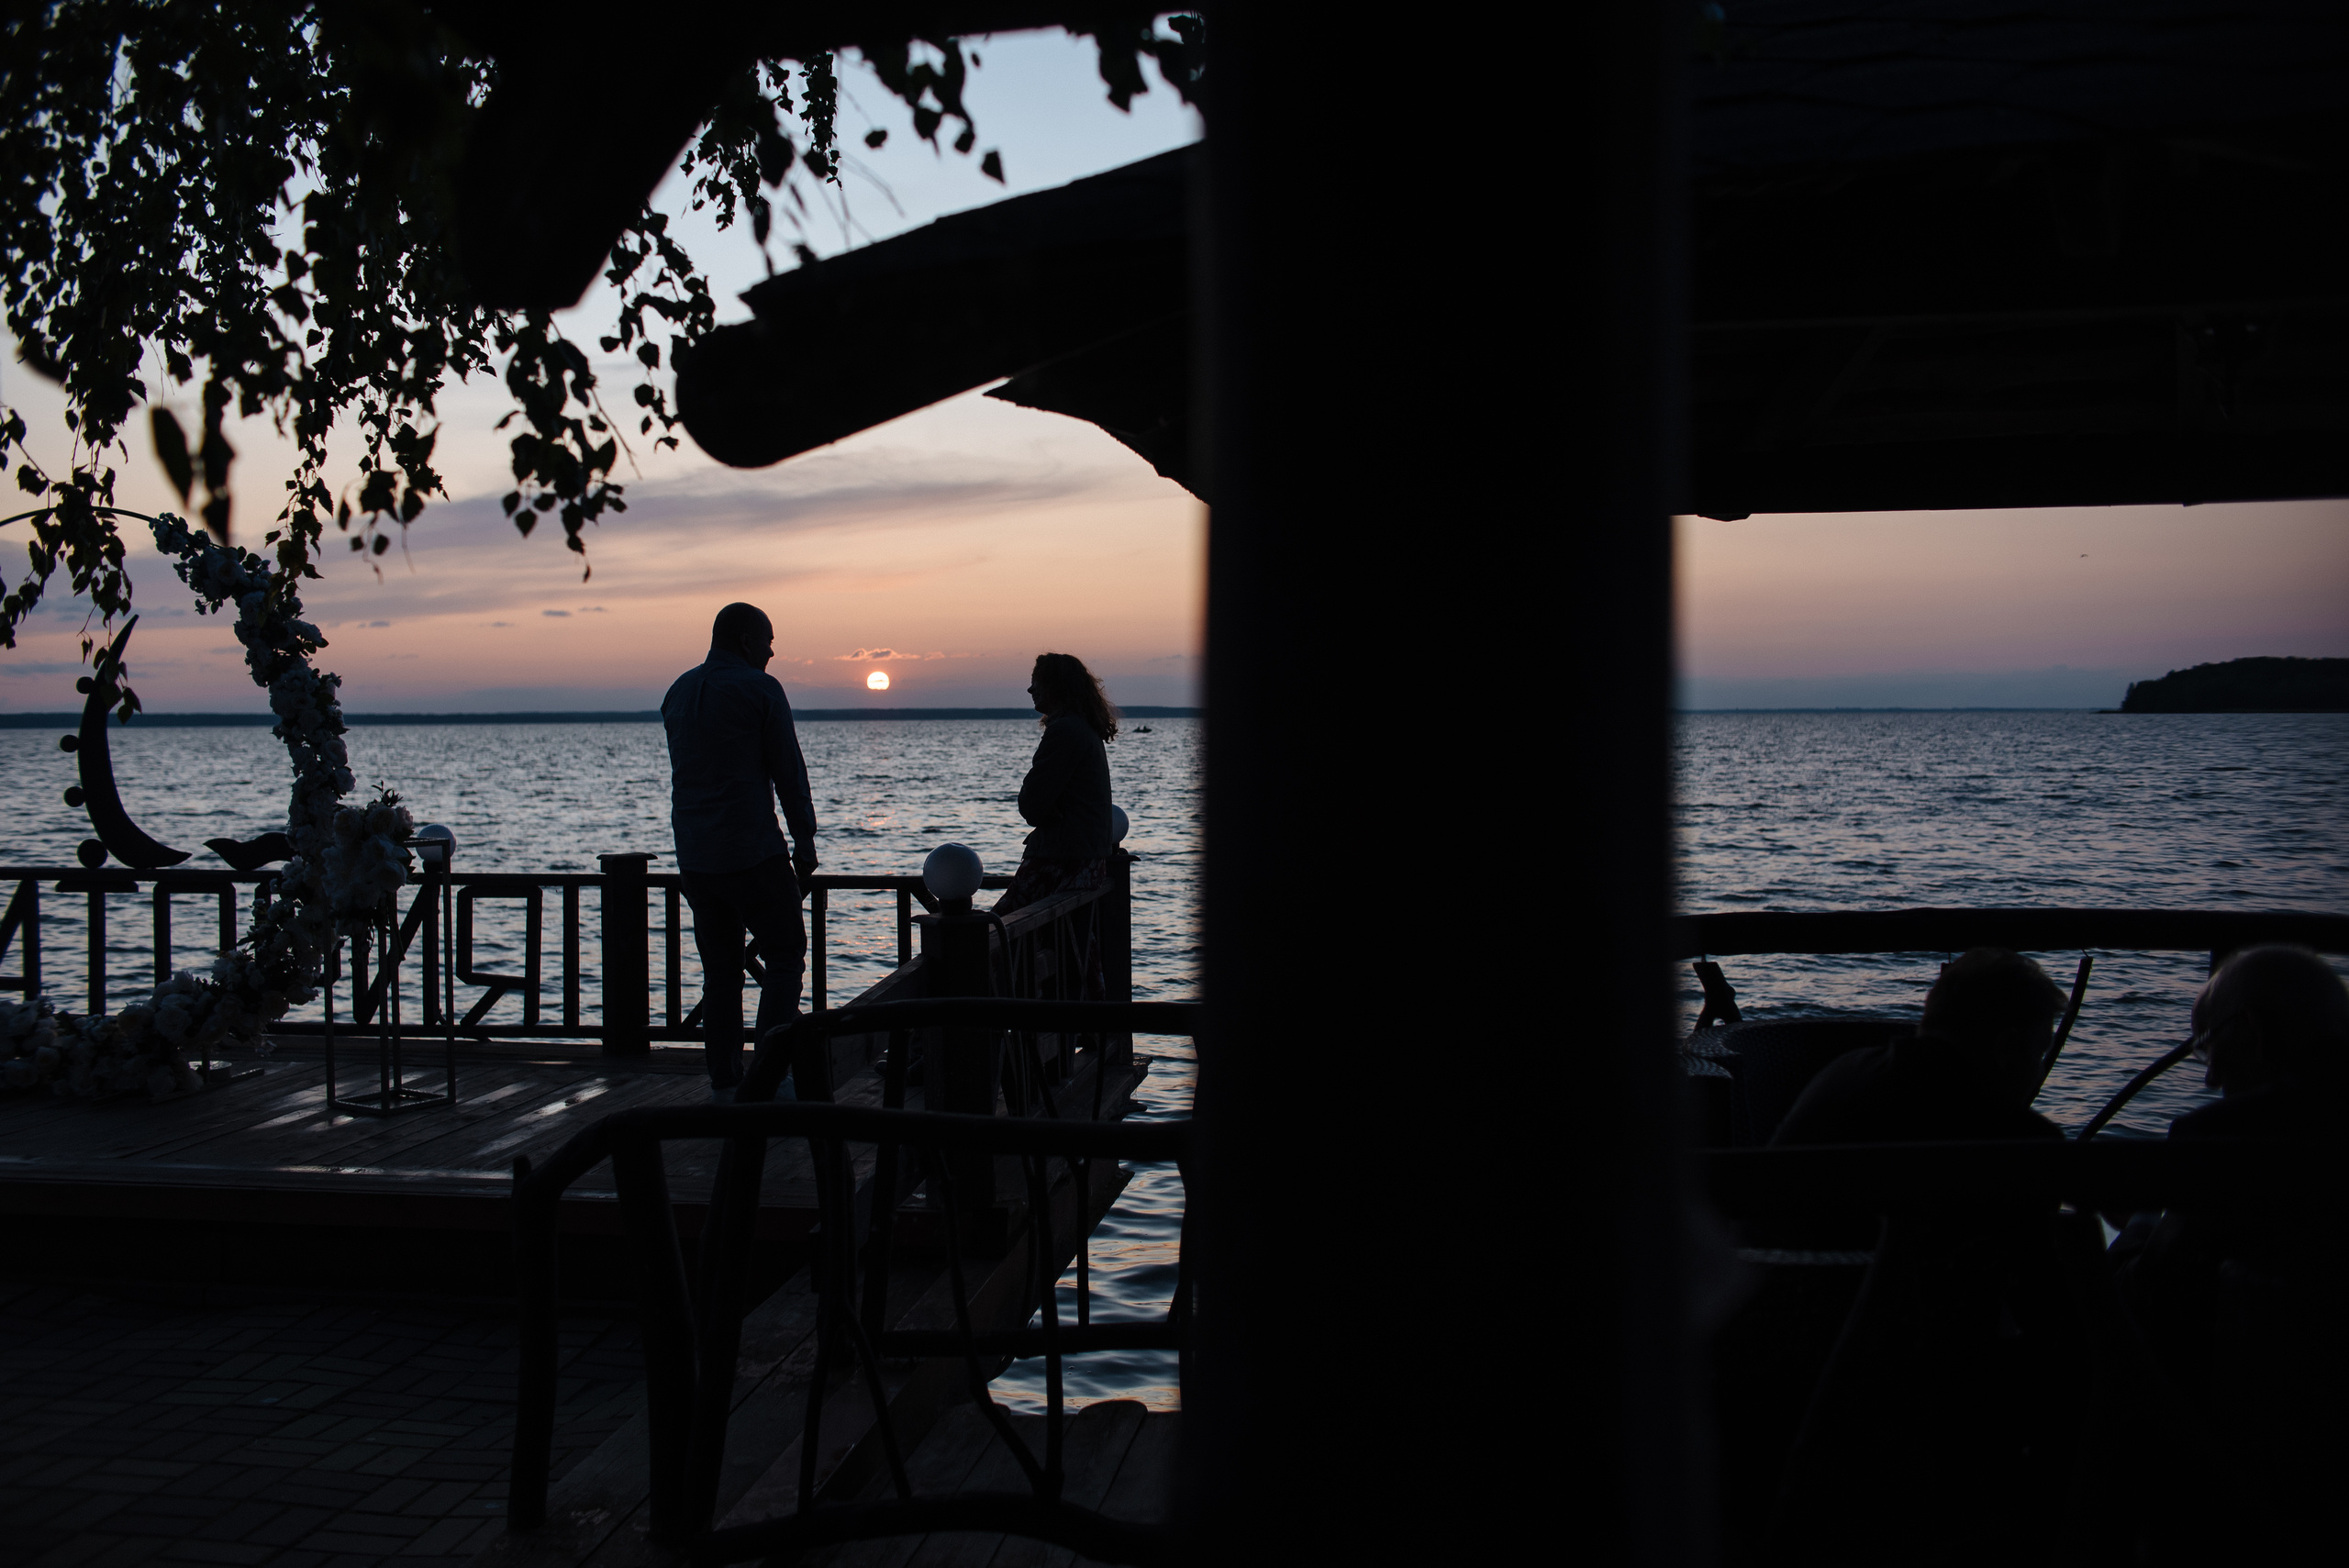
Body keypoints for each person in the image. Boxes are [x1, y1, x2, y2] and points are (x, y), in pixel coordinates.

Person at [2114, 945, 2349, 1553]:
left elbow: (2152, 1301)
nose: (2212, 1079)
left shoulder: (2219, 1139)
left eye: (2208, 1049)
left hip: (2256, 1470)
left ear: (2249, 1028)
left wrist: (2140, 1224)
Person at [662, 602, 818, 1101]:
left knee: (721, 974)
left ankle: (726, 1082)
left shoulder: (678, 692)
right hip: (752, 851)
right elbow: (787, 771)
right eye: (769, 641)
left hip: (696, 858)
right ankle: (769, 1078)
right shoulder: (760, 688)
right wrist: (806, 839)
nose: (773, 651)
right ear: (748, 641)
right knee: (786, 954)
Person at [1772, 947, 2070, 1149]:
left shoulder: (1849, 1070)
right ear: (2008, 1048)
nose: (2040, 1070)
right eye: (2039, 1053)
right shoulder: (2005, 1133)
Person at [994, 651, 1118, 918]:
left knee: (995, 935)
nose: (1030, 689)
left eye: (1036, 682)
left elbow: (1031, 804)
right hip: (1084, 862)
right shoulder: (1084, 728)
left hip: (1061, 861)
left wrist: (1047, 807)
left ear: (1056, 686)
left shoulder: (1065, 731)